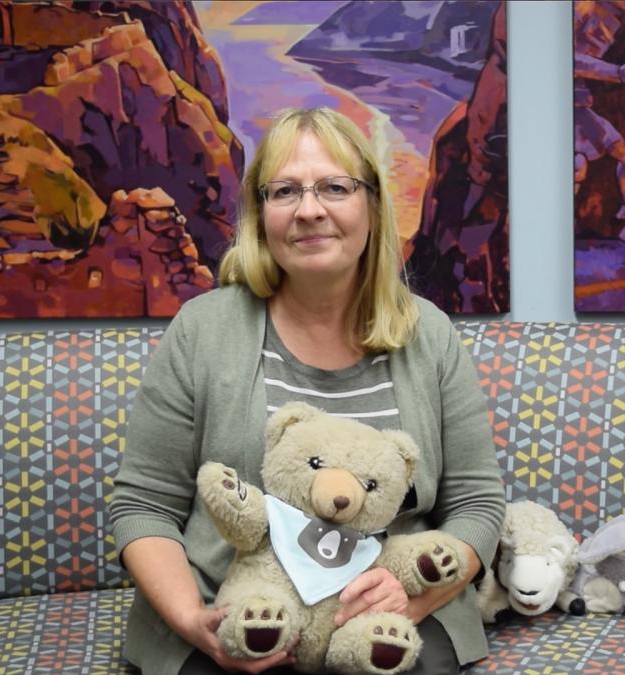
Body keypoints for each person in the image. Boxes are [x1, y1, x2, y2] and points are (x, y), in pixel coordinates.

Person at [108, 107, 506, 674]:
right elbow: (142, 505)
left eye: (335, 188)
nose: (309, 210)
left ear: (371, 205)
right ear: (260, 213)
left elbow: (477, 503)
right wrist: (193, 623)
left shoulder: (431, 334)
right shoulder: (202, 330)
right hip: (234, 611)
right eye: (285, 191)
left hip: (387, 626)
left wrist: (413, 599)